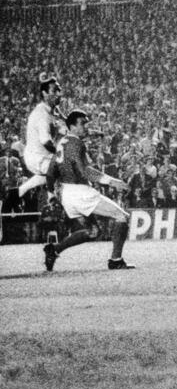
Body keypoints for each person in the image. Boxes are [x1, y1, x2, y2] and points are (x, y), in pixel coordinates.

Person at [43, 110, 135, 271]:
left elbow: (50, 173)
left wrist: (52, 194)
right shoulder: (76, 143)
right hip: (80, 192)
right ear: (72, 126)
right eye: (83, 123)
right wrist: (113, 181)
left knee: (92, 231)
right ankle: (116, 260)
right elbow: (84, 171)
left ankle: (54, 250)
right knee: (122, 217)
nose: (86, 126)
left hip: (66, 193)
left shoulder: (61, 142)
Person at [19, 76, 63, 200]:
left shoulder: (54, 110)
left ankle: (20, 191)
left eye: (59, 90)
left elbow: (69, 123)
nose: (59, 94)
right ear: (44, 94)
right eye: (54, 91)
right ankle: (51, 199)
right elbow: (47, 143)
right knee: (61, 166)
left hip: (45, 156)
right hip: (36, 157)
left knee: (56, 167)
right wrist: (62, 153)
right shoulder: (41, 114)